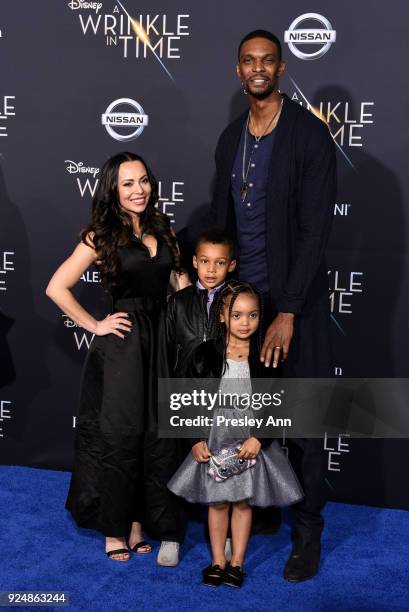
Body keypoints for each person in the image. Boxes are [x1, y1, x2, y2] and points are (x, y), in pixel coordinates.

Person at [211, 30, 337, 581]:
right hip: (245, 307)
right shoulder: (230, 138)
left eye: (267, 61)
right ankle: (258, 513)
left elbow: (314, 232)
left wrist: (286, 310)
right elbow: (223, 224)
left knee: (304, 424)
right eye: (248, 61)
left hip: (293, 308)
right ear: (238, 71)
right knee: (249, 418)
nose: (257, 69)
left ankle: (307, 531)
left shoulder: (309, 134)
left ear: (282, 69)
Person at [46, 152, 190, 562]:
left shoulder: (164, 229)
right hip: (123, 346)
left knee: (154, 436)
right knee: (121, 437)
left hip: (161, 342)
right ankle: (114, 529)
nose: (138, 190)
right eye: (128, 183)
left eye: (143, 180)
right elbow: (57, 287)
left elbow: (179, 287)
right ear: (112, 188)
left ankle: (138, 524)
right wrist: (95, 325)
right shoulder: (100, 235)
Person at [168, 281, 303, 588]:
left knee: (242, 503)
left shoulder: (266, 355)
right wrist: (195, 439)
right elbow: (188, 400)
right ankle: (217, 560)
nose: (245, 323)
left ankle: (237, 562)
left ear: (261, 317)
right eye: (238, 315)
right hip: (214, 440)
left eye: (253, 315)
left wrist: (260, 438)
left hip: (249, 443)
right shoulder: (204, 354)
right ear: (222, 316)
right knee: (217, 503)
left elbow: (277, 401)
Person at [166, 227, 236, 377]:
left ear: (231, 265)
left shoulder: (236, 301)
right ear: (195, 262)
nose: (211, 269)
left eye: (220, 263)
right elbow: (167, 349)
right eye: (205, 261)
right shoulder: (178, 301)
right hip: (184, 386)